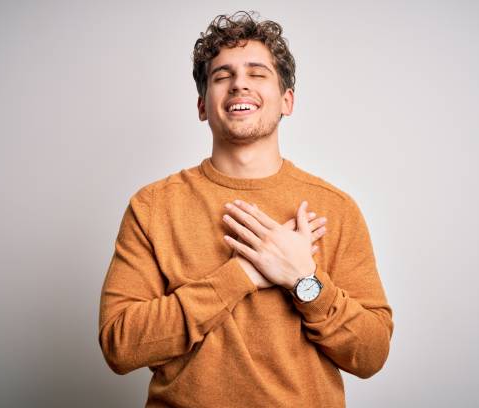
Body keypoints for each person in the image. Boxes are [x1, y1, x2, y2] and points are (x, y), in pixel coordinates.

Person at [98, 10, 394, 407]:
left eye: (257, 74)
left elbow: (371, 354)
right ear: (203, 105)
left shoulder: (335, 208)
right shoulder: (153, 207)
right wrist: (241, 274)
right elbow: (120, 344)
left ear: (286, 101)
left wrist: (303, 279)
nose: (239, 84)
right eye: (222, 76)